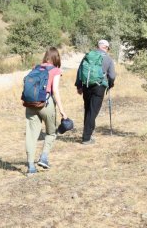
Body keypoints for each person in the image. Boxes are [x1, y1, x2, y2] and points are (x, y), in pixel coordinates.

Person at [25, 47, 69, 175]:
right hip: (46, 104)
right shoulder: (55, 70)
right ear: (56, 58)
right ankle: (44, 157)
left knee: (31, 135)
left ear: (46, 56)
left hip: (31, 104)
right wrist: (62, 110)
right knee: (51, 132)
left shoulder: (36, 68)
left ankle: (31, 166)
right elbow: (55, 90)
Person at [76, 40, 116, 145]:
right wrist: (110, 84)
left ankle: (89, 133)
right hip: (99, 87)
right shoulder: (108, 59)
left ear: (97, 46)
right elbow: (112, 76)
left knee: (88, 109)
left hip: (86, 85)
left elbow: (80, 70)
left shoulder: (88, 56)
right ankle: (86, 137)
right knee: (93, 112)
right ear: (106, 47)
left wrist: (79, 85)